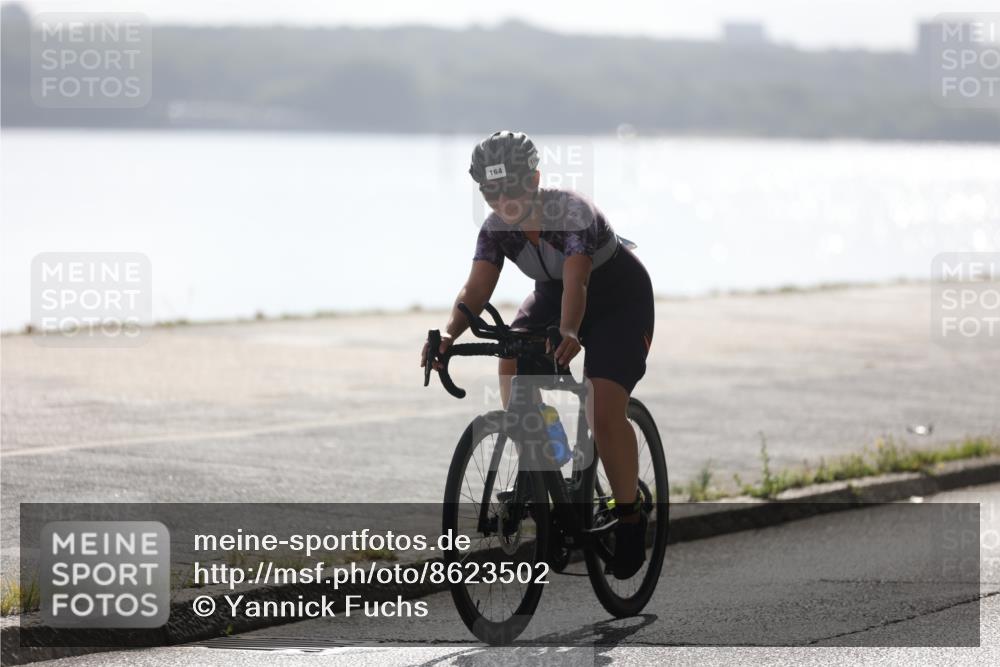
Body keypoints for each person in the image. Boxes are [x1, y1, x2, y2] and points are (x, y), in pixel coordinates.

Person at [421, 130, 655, 579]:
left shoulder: (571, 213)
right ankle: (547, 456)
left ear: (535, 180)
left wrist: (569, 330)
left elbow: (578, 282)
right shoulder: (494, 230)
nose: (501, 199)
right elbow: (475, 291)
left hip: (617, 300)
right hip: (555, 295)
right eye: (490, 190)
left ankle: (629, 516)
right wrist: (448, 336)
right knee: (510, 351)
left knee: (603, 408)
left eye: (510, 187)